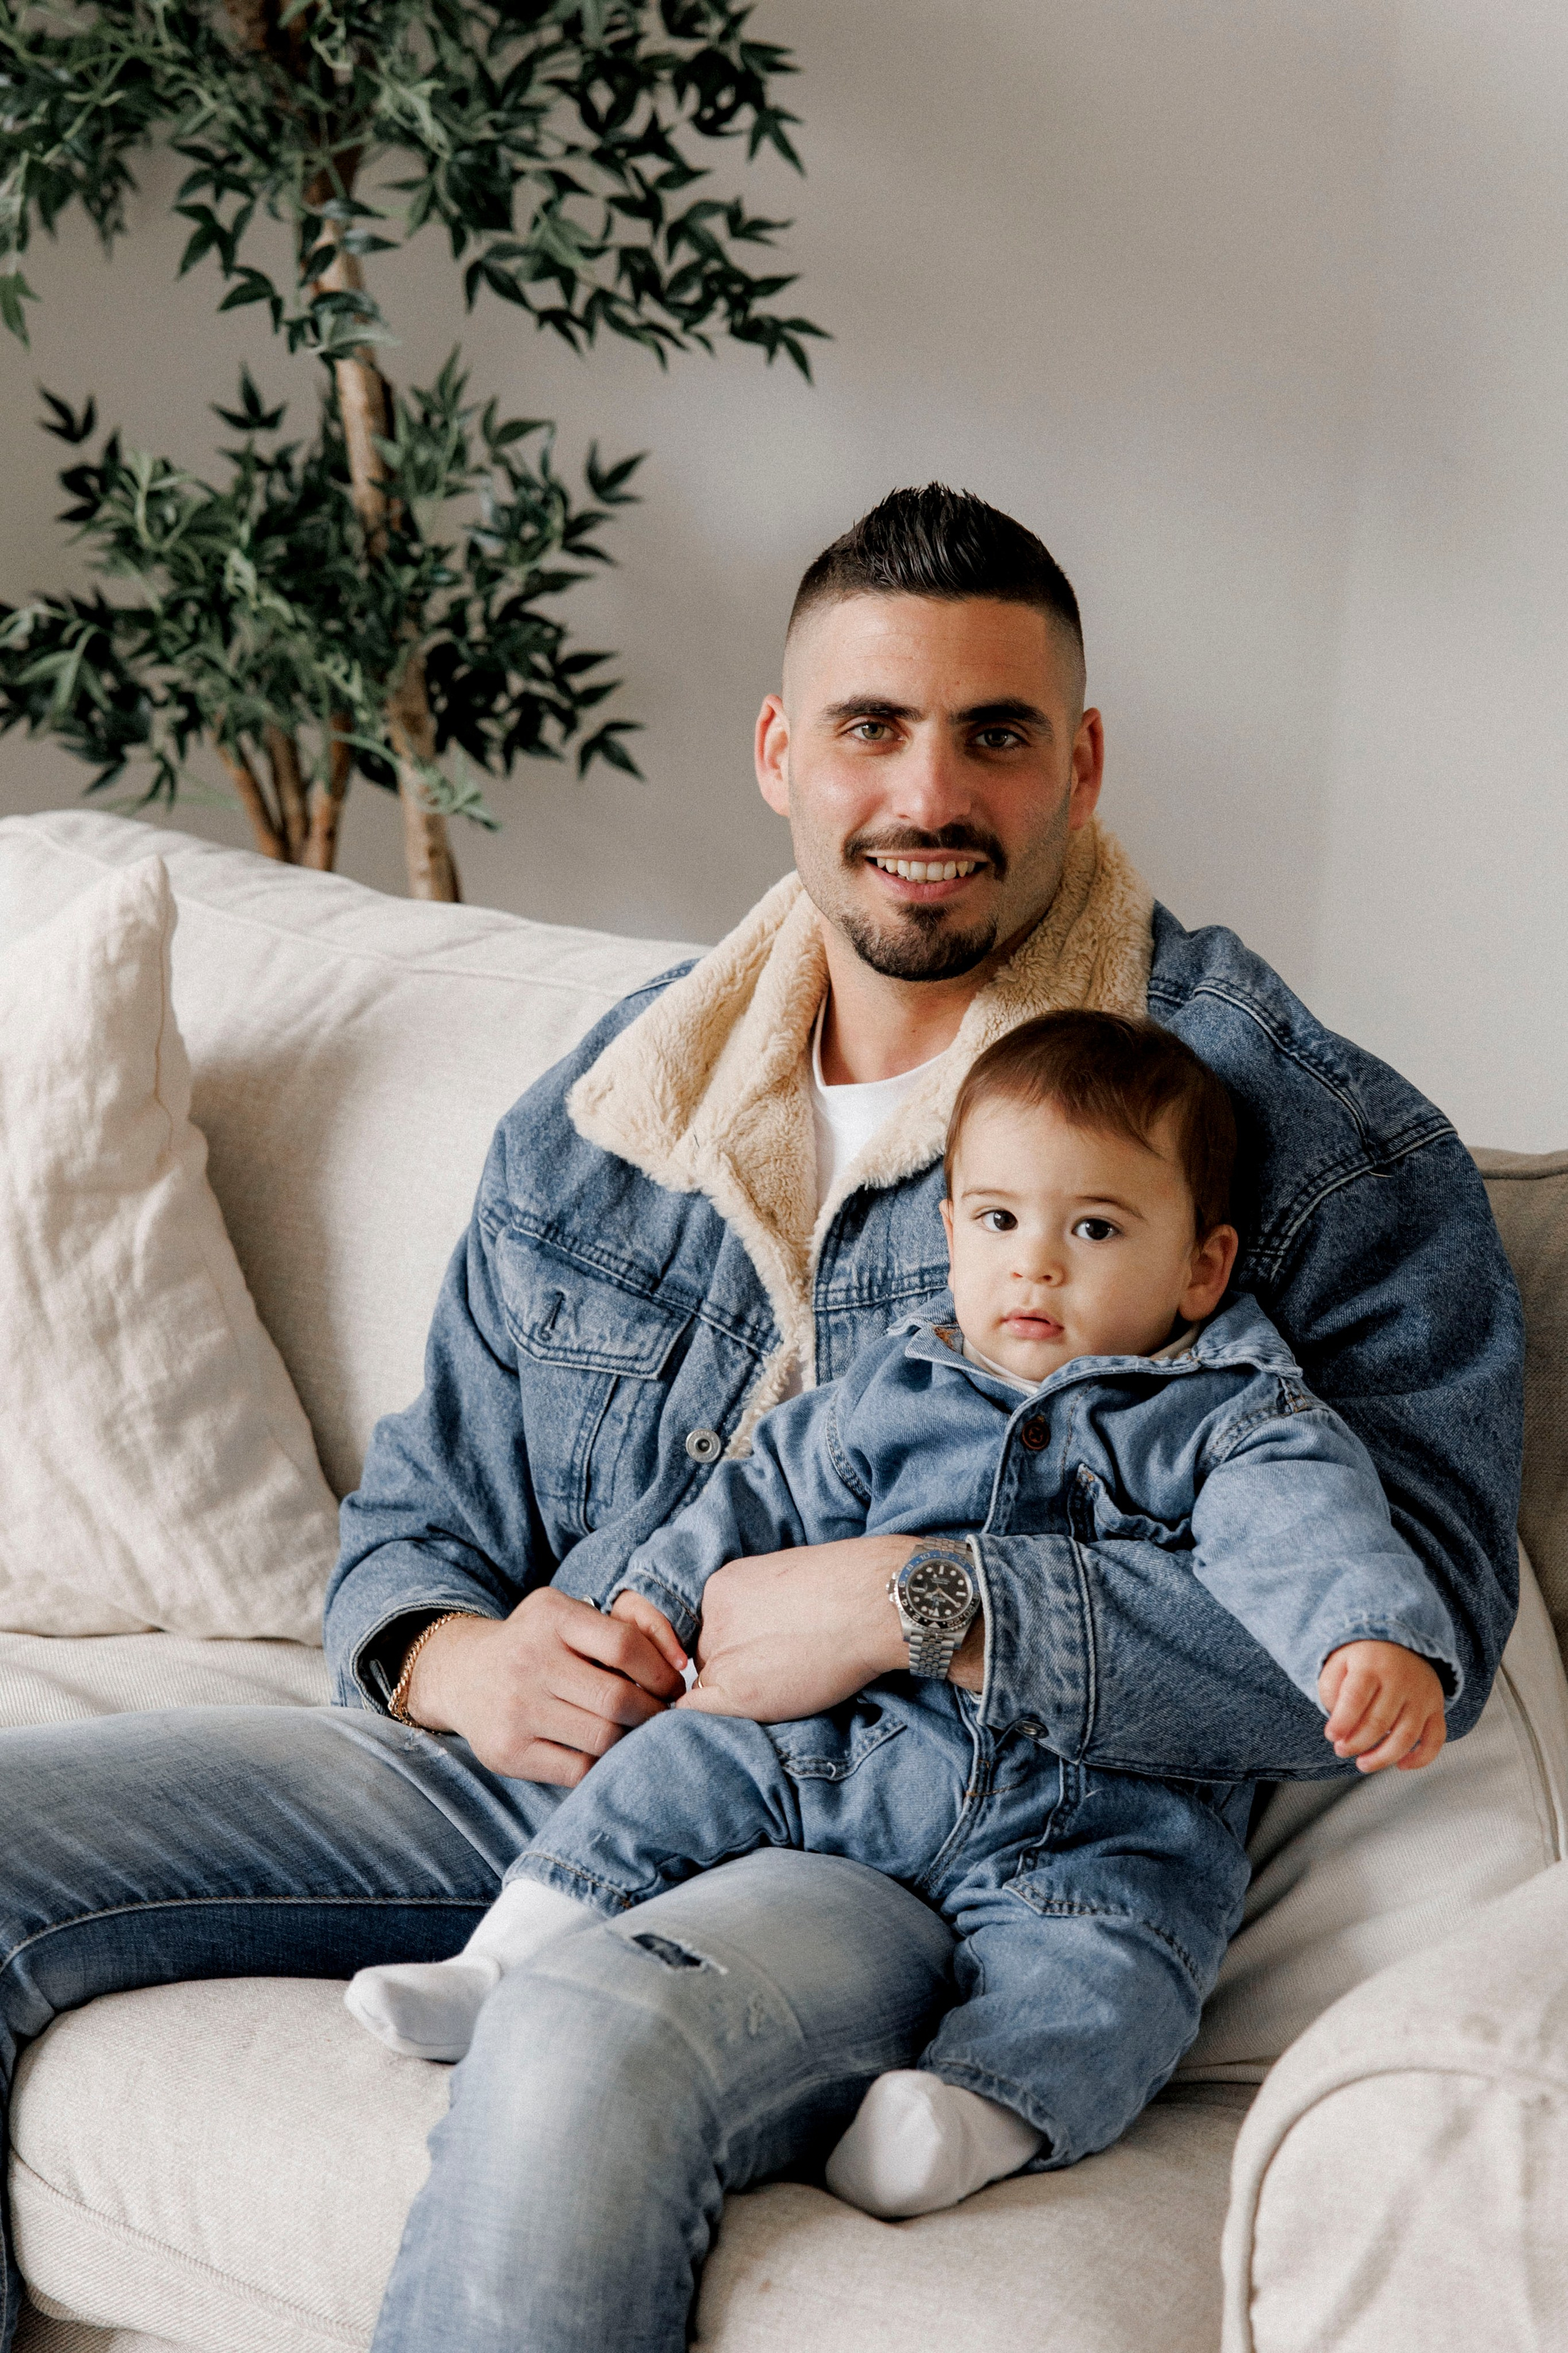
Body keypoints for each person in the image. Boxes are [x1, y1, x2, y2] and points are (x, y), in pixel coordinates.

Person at [0, 486, 1522, 2353]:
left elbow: (1397, 1647)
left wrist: (926, 1606)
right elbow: (423, 1509)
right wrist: (449, 1655)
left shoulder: (1293, 1141)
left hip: (896, 1833)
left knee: (584, 2038)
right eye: (873, 728)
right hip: (539, 1767)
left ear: (1084, 765)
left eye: (997, 734)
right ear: (783, 754)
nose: (929, 795)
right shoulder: (615, 1104)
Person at [342, 1010, 1457, 2222]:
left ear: (1200, 1265)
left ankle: (971, 2112)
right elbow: (755, 1494)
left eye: (1093, 1227)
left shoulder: (1228, 1418)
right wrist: (648, 1603)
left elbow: (1302, 1535)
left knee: (1112, 1966)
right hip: (835, 1750)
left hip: (1089, 1821)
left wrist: (1364, 1637)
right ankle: (506, 1954)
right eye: (997, 1221)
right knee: (677, 1764)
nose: (1034, 1262)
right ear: (949, 1233)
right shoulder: (898, 1384)